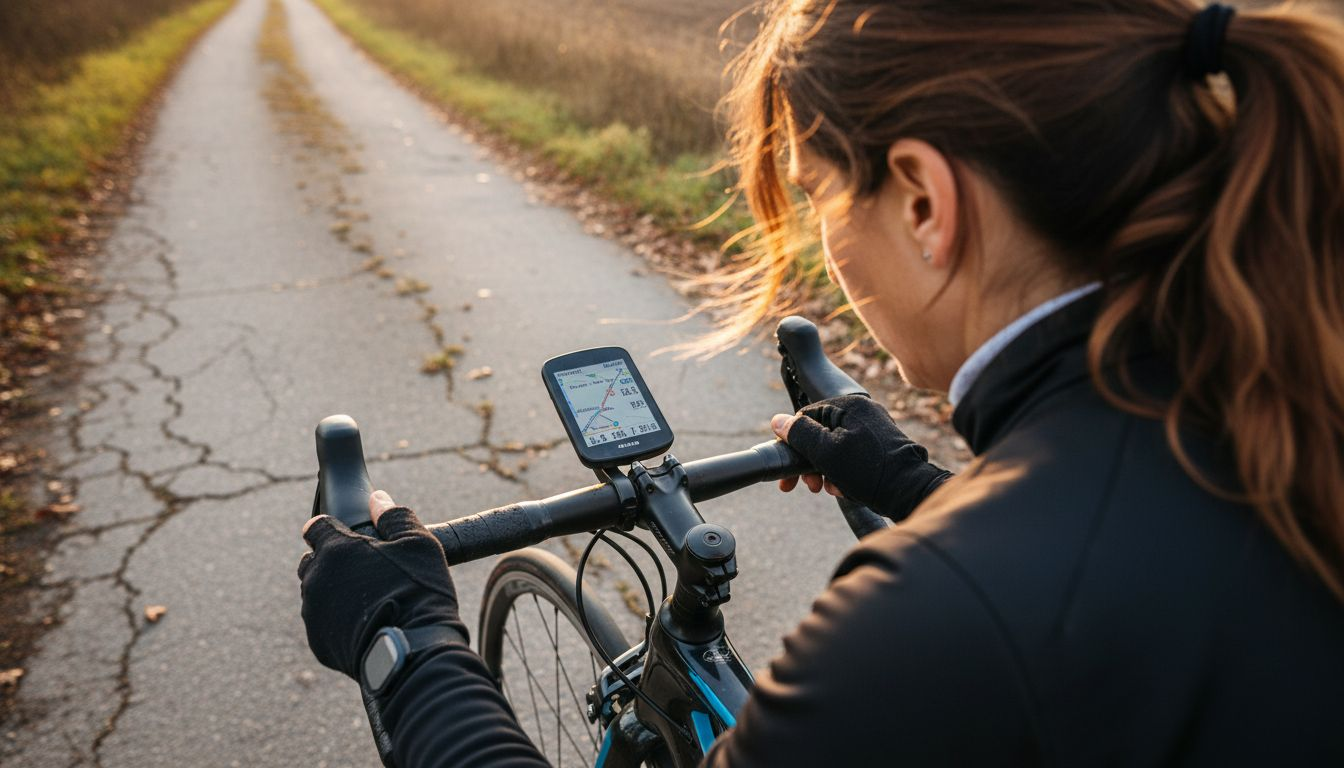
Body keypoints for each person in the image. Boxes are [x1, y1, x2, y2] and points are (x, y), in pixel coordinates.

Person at [297, 0, 1344, 764]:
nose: (824, 244)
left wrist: (408, 644)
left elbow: (1036, 620)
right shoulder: (1284, 402)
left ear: (926, 204)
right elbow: (1140, 593)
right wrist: (918, 486)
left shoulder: (918, 628)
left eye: (816, 195)